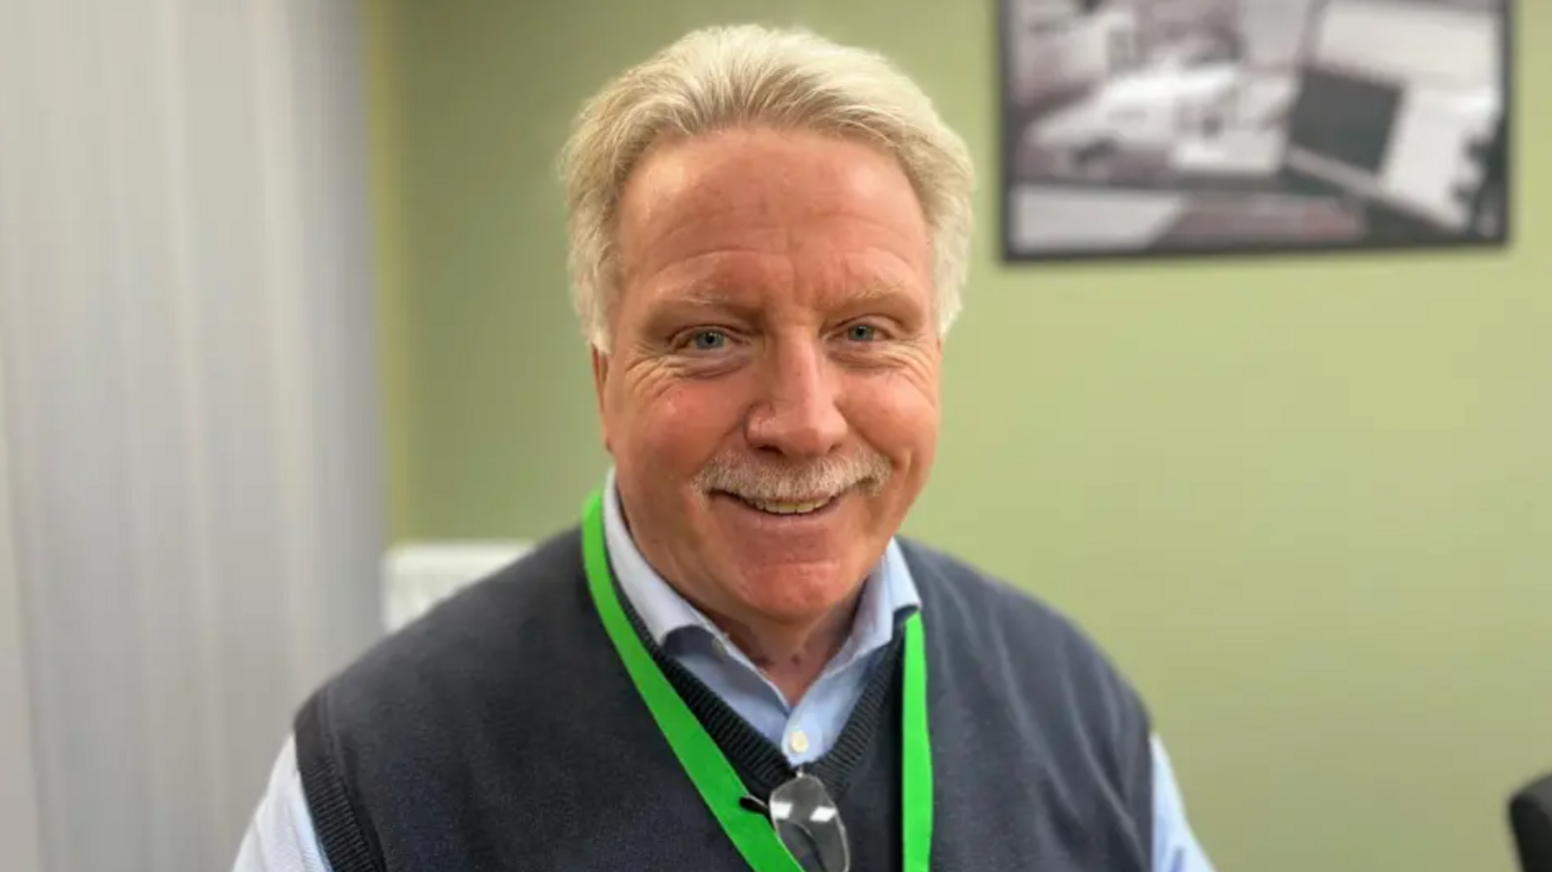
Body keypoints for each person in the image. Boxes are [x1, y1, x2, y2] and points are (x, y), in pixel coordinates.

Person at [234, 23, 1216, 872]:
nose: (803, 421)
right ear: (604, 381)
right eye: (709, 337)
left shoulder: (1075, 708)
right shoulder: (375, 772)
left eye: (866, 331)